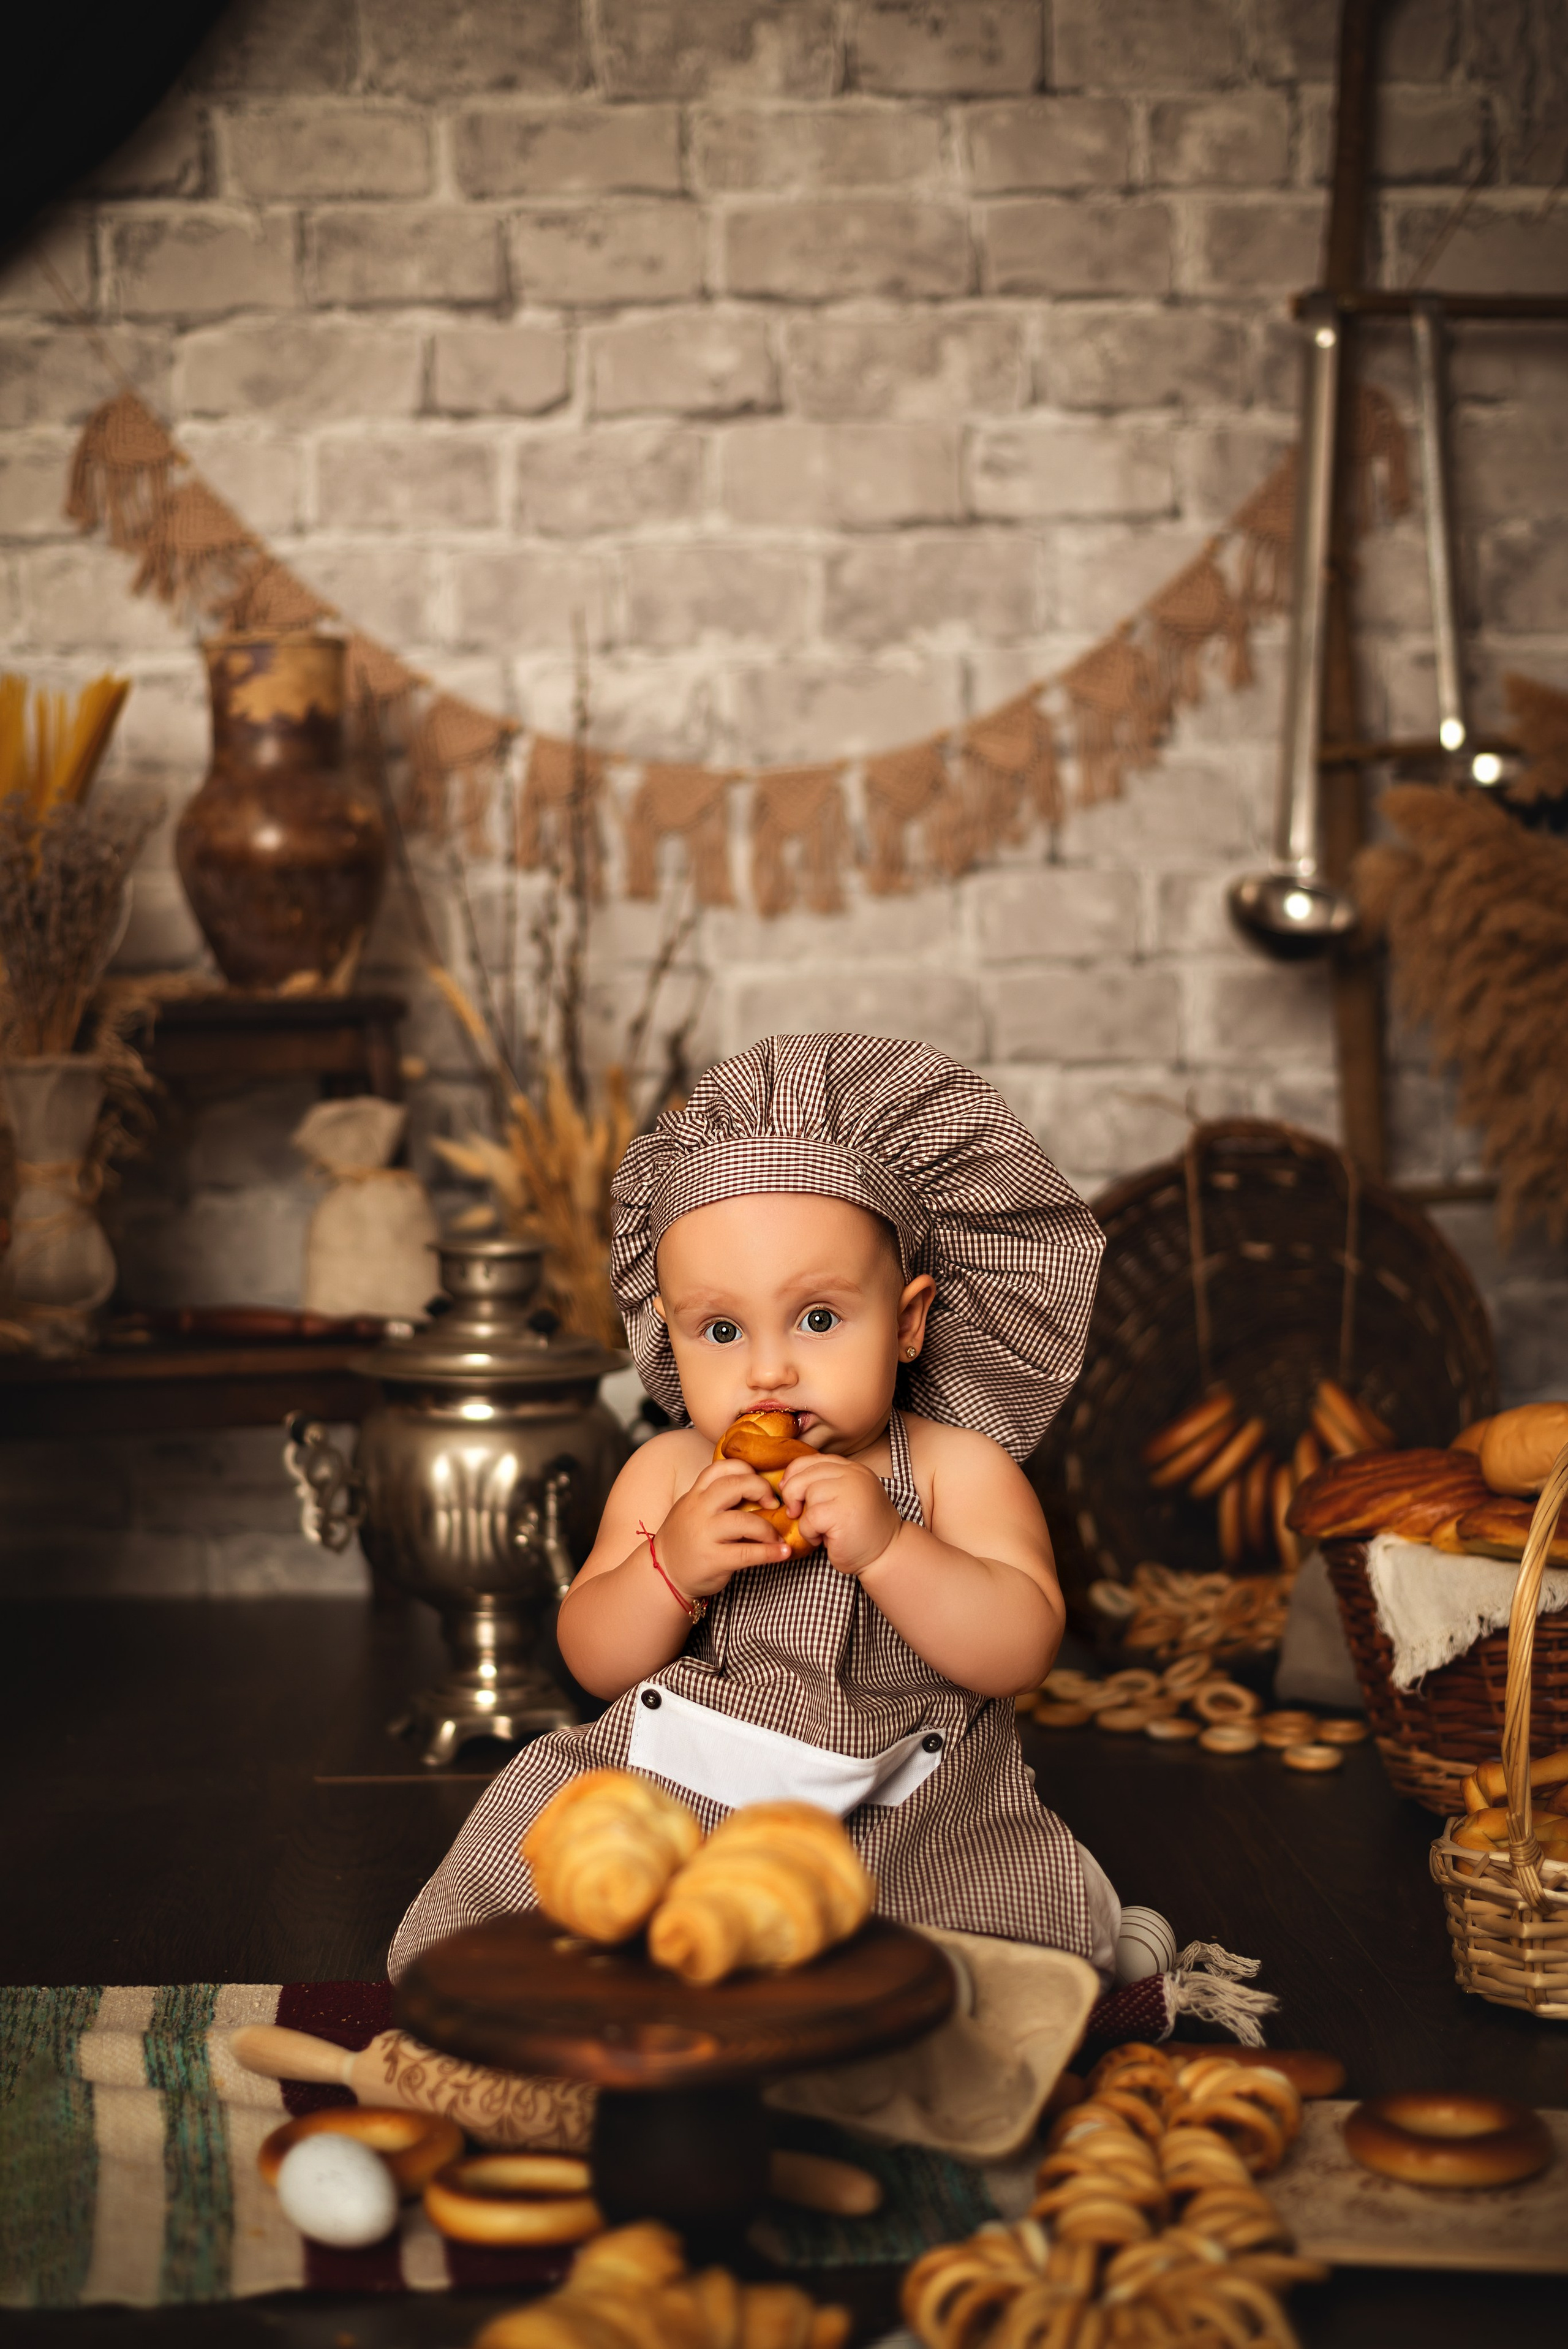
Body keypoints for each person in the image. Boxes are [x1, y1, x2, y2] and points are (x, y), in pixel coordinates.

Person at [388, 1031, 1129, 1985]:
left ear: (907, 1324)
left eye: (818, 1319)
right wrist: (669, 1571)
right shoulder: (666, 1472)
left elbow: (1021, 1649)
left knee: (969, 1966)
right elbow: (593, 1659)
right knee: (550, 1877)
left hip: (907, 1817)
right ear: (670, 1334)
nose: (768, 1369)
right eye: (723, 1330)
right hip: (685, 1800)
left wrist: (892, 1545)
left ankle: (1095, 1942)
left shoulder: (955, 1470)